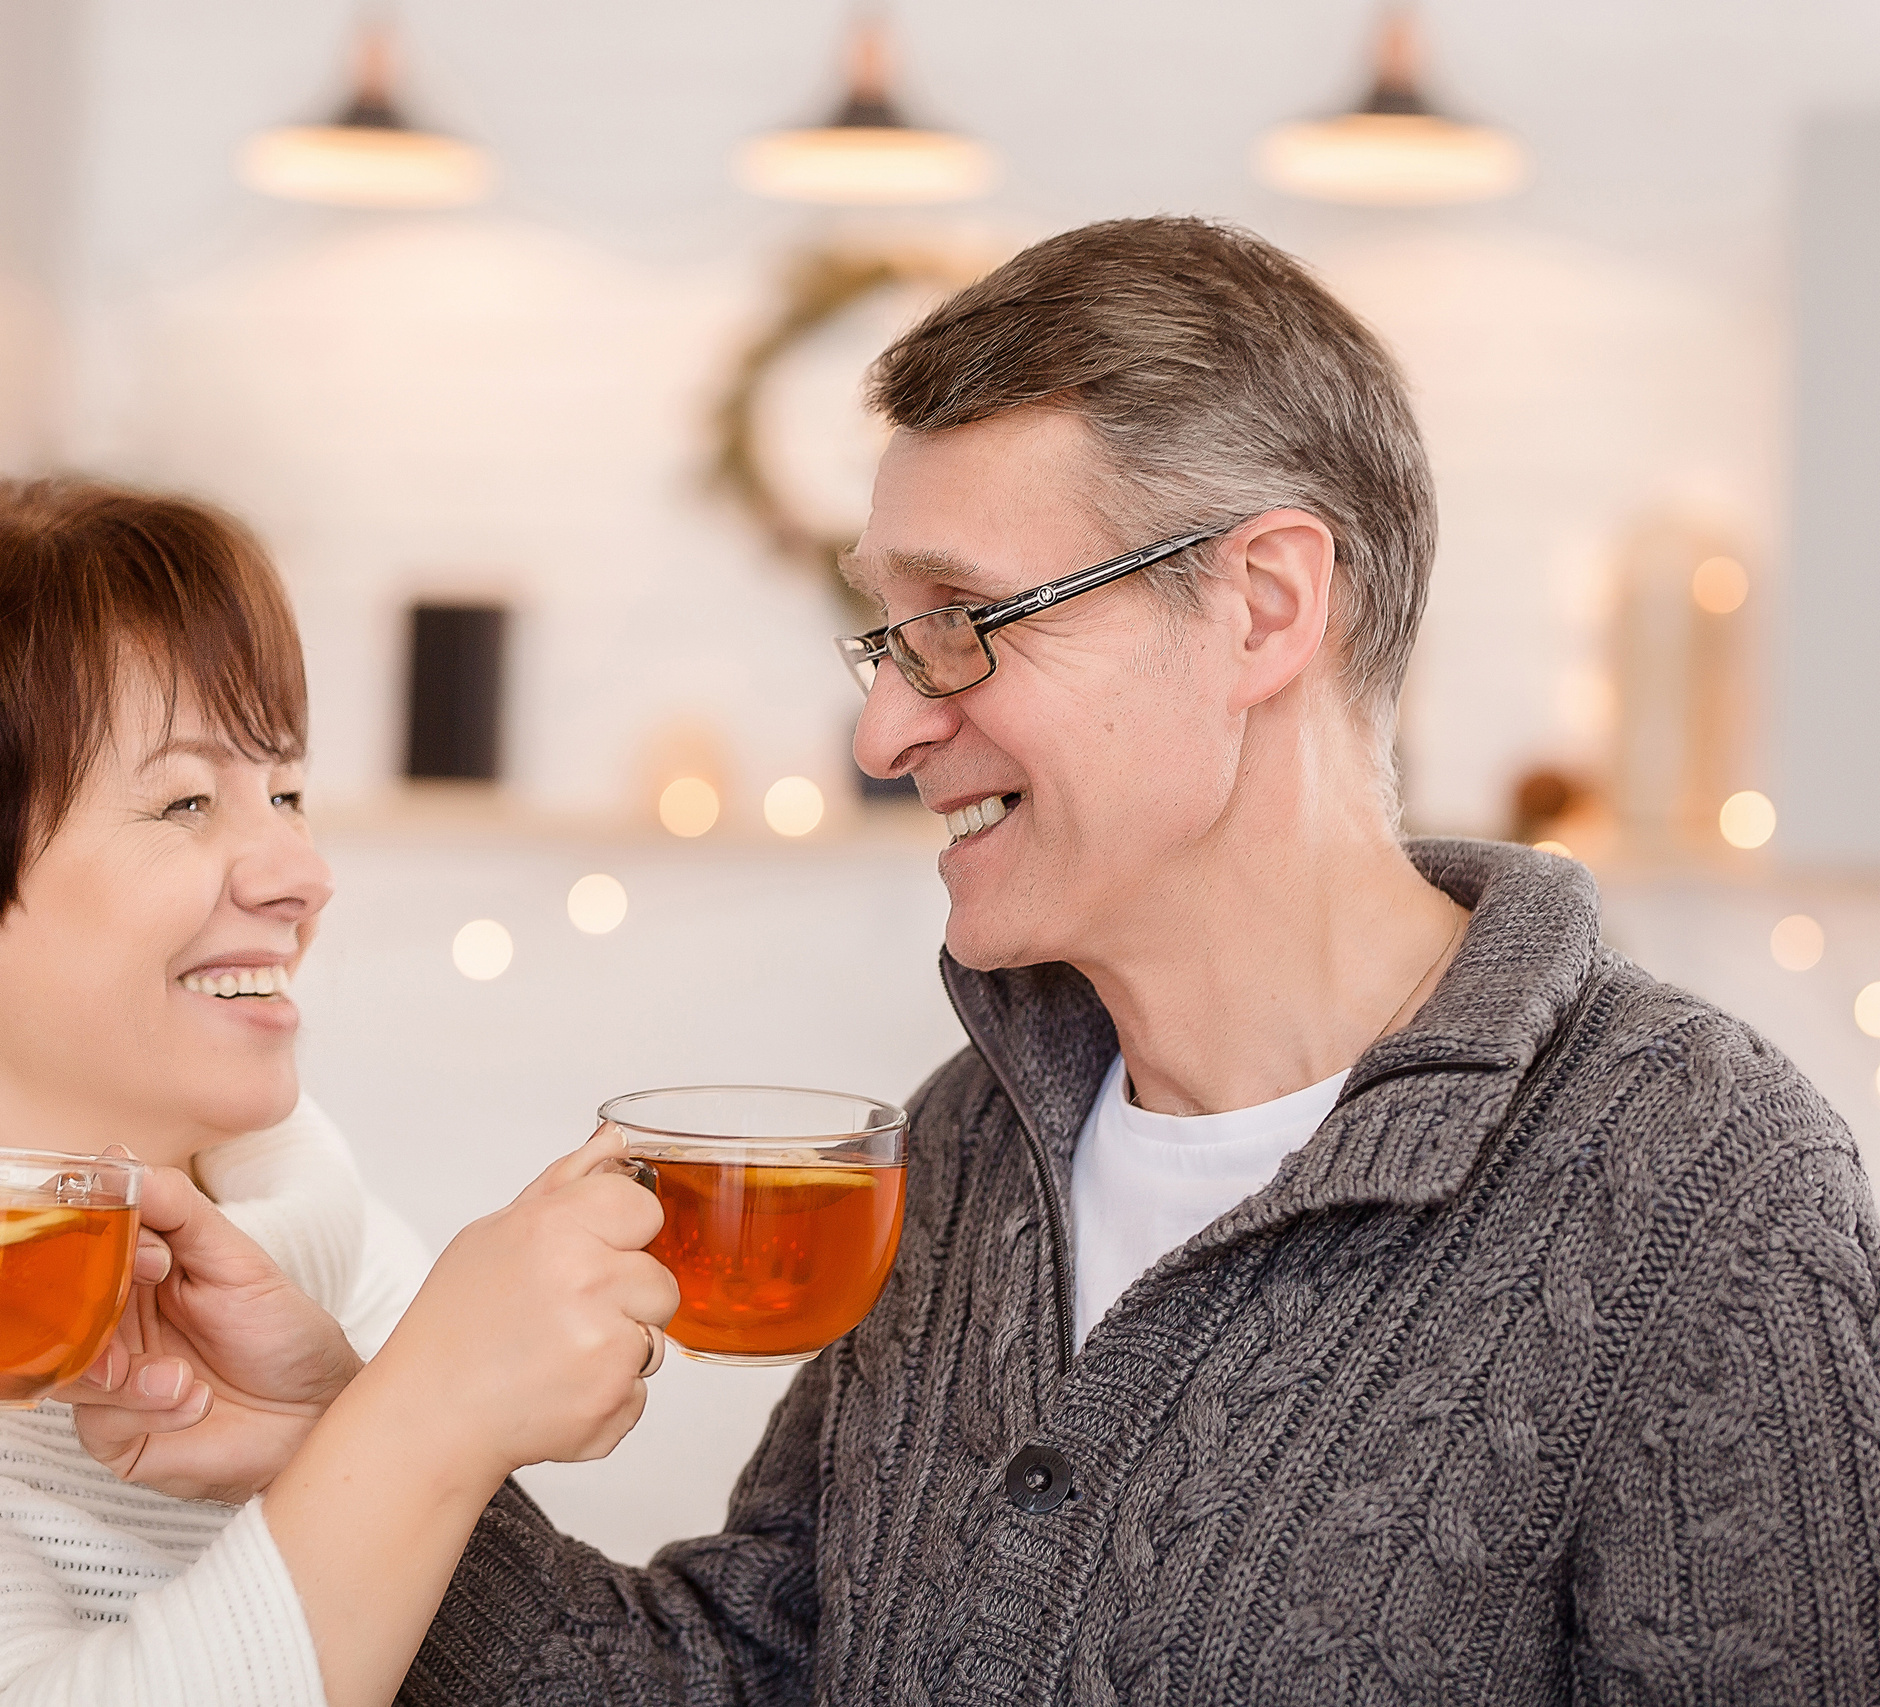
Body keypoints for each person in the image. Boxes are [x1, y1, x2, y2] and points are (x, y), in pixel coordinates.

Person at [386, 218, 1880, 1701]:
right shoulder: (978, 1137)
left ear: (1263, 608)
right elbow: (745, 1677)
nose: (883, 730)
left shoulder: (1707, 1192)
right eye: (888, 636)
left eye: (963, 621)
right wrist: (334, 1418)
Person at [0, 479, 677, 1707]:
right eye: (187, 801)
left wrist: (364, 1418)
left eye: (289, 793)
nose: (301, 875)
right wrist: (422, 1425)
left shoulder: (367, 1277)